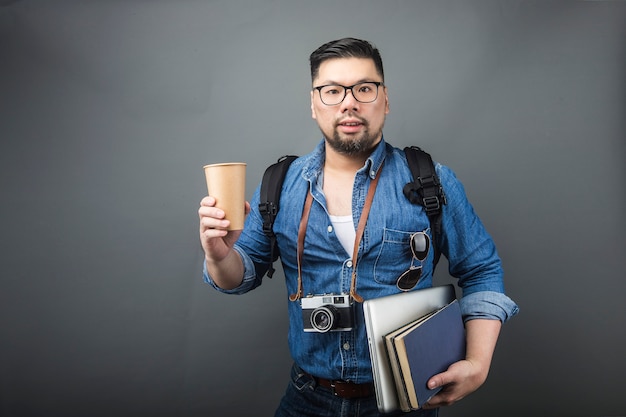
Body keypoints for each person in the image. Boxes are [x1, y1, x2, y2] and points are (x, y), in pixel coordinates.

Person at [198, 37, 518, 417]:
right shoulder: (279, 183)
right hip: (306, 399)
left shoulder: (432, 180)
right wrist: (219, 255)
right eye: (332, 90)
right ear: (314, 104)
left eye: (364, 88)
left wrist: (478, 365)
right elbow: (239, 275)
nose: (349, 102)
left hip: (407, 399)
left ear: (385, 99)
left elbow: (482, 270)